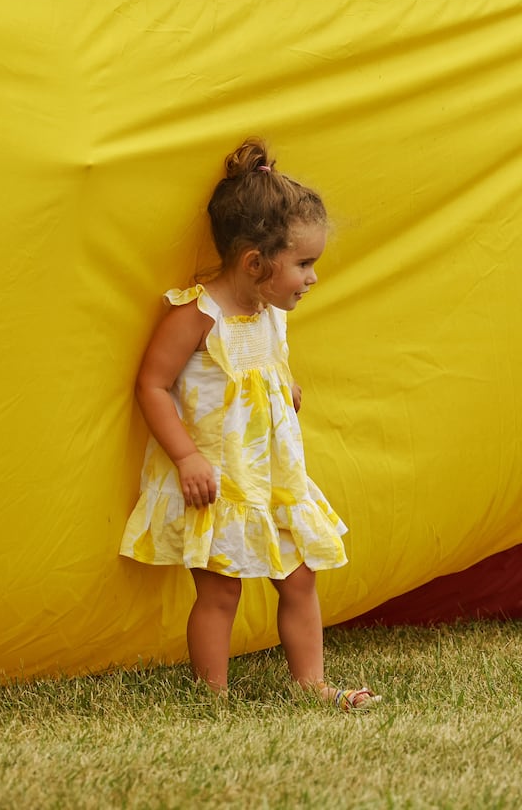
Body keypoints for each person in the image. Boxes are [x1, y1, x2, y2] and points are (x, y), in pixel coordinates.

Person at [119, 137, 381, 712]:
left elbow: (257, 367)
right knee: (220, 592)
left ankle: (312, 684)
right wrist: (186, 457)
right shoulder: (197, 313)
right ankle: (211, 697)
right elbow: (152, 385)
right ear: (255, 264)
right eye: (304, 264)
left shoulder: (267, 310)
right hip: (222, 480)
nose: (312, 278)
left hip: (276, 477)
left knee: (302, 577)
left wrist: (282, 388)